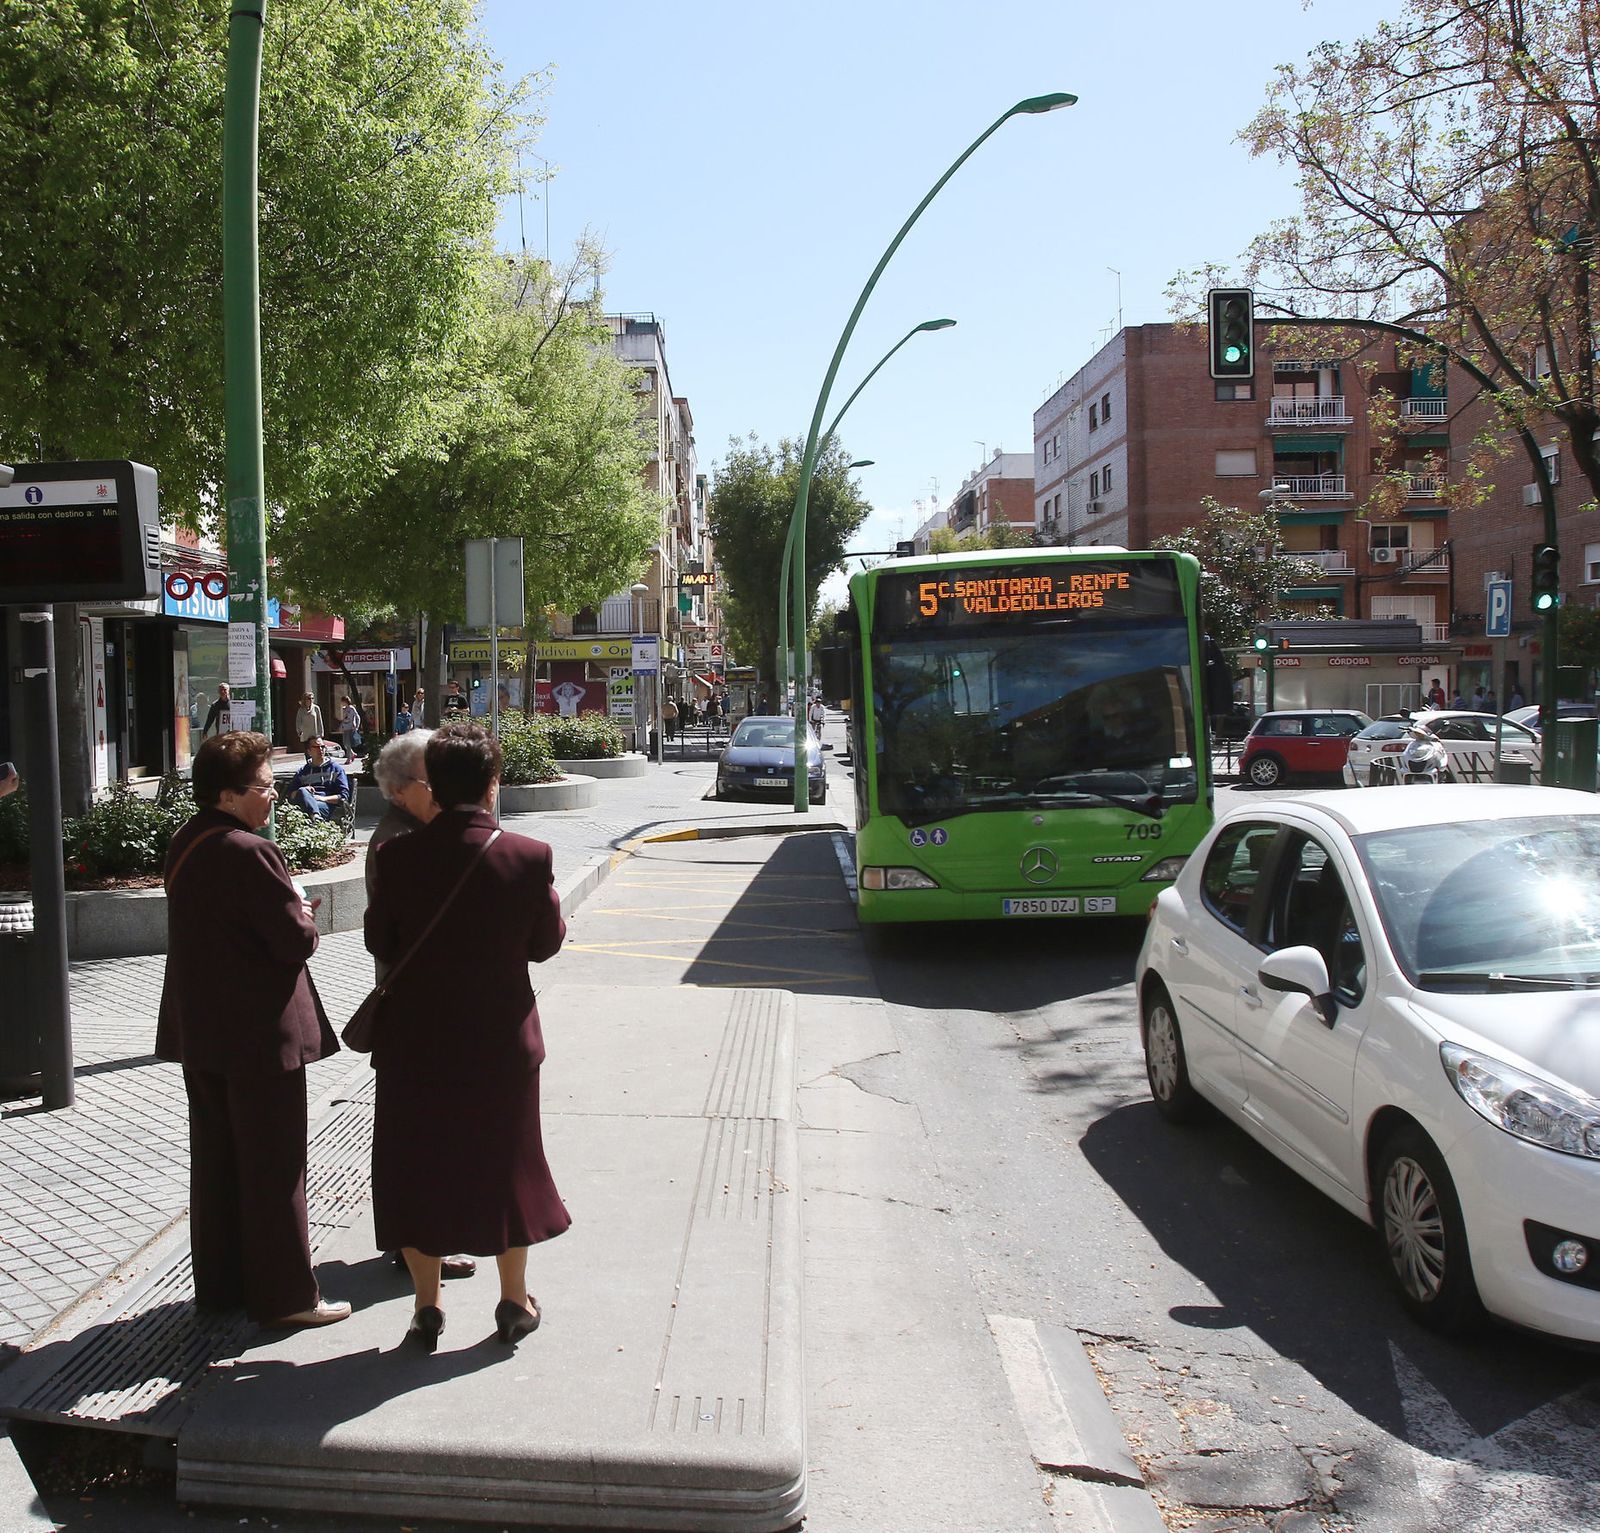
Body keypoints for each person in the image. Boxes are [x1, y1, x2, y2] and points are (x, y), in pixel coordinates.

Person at [364, 722, 569, 1351]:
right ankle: (512, 1301)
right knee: (505, 1163)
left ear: (434, 786)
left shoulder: (396, 857)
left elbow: (380, 943)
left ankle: (427, 1308)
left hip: (416, 1042)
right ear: (492, 785)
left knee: (417, 1164)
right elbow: (545, 944)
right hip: (499, 1043)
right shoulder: (529, 856)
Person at [156, 732, 349, 1328]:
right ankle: (287, 1296)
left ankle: (222, 1286)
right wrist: (303, 912)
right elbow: (294, 941)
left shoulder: (185, 842)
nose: (273, 796)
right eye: (264, 787)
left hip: (205, 1029)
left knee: (216, 1160)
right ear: (228, 794)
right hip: (261, 1034)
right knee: (273, 1164)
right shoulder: (250, 851)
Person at [365, 730, 477, 1285]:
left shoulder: (418, 832)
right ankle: (416, 1245)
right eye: (430, 781)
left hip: (427, 1009)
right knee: (417, 1136)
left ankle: (421, 1239)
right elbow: (386, 936)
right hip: (415, 1008)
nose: (439, 792)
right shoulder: (398, 841)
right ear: (402, 789)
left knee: (425, 1132)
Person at [287, 737, 351, 821]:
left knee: (303, 811)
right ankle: (315, 816)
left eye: (323, 747)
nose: (320, 749)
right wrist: (304, 791)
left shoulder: (335, 769)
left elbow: (344, 796)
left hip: (325, 804)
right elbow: (291, 794)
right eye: (316, 747)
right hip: (305, 803)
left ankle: (315, 815)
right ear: (309, 751)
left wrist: (323, 798)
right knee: (303, 791)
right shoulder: (302, 771)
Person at [294, 692, 324, 760]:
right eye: (309, 698)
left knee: (315, 751)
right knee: (308, 752)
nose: (311, 700)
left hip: (314, 734)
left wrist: (321, 733)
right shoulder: (301, 710)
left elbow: (319, 721)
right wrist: (299, 731)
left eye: (312, 698)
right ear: (305, 699)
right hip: (305, 735)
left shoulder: (316, 708)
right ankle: (309, 765)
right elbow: (298, 721)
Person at [339, 696, 364, 761]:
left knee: (348, 743)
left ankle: (349, 758)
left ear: (345, 701)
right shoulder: (344, 709)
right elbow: (344, 719)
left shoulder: (351, 708)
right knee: (345, 744)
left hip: (350, 727)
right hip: (345, 728)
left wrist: (357, 726)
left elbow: (357, 717)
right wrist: (341, 726)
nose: (341, 703)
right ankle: (352, 753)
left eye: (342, 701)